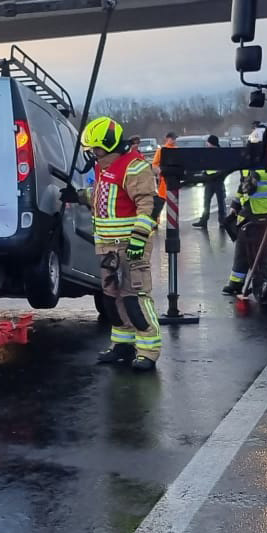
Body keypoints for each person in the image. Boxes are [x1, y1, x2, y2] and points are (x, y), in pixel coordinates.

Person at [78, 116, 163, 372]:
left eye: (97, 148)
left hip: (130, 245)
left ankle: (148, 350)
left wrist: (139, 238)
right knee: (111, 298)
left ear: (109, 144)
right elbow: (104, 198)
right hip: (107, 247)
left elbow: (148, 206)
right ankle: (122, 345)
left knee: (134, 297)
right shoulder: (105, 167)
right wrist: (80, 196)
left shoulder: (134, 167)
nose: (93, 153)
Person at [222, 126, 267, 297]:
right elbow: (242, 188)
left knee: (264, 254)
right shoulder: (249, 165)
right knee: (243, 247)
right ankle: (236, 282)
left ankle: (265, 284)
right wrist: (234, 208)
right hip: (249, 212)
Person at [191, 133, 224, 228]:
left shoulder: (220, 153)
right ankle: (204, 221)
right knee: (206, 202)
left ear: (212, 143)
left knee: (220, 202)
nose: (207, 144)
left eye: (208, 142)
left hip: (217, 180)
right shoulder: (208, 152)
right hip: (210, 180)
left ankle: (222, 221)